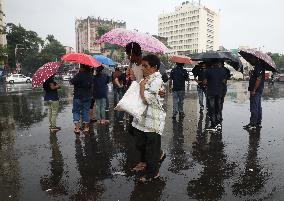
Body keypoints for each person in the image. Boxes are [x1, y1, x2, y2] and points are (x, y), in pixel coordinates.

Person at [131, 54, 166, 183]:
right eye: (142, 66)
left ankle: (153, 173)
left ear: (154, 67)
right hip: (142, 118)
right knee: (140, 142)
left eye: (146, 66)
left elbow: (147, 100)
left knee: (151, 148)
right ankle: (155, 155)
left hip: (152, 120)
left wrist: (141, 87)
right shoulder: (146, 78)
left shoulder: (156, 80)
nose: (143, 68)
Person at [203, 59, 227, 132]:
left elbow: (205, 82)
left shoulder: (208, 70)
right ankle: (219, 124)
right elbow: (224, 81)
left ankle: (213, 125)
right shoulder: (223, 70)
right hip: (219, 92)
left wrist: (208, 81)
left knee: (212, 109)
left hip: (211, 92)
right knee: (218, 109)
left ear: (211, 63)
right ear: (218, 62)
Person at [70, 64, 93, 134]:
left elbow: (71, 82)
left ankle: (77, 128)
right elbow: (91, 85)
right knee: (86, 111)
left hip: (77, 96)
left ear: (83, 68)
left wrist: (77, 75)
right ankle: (86, 128)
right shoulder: (90, 76)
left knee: (76, 111)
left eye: (81, 67)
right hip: (87, 96)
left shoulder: (78, 75)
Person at [243, 62, 265, 130]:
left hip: (256, 90)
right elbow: (257, 77)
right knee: (258, 106)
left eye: (252, 59)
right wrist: (251, 74)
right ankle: (258, 123)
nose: (250, 61)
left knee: (254, 107)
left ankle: (253, 124)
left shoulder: (258, 67)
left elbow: (258, 79)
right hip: (259, 89)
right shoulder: (260, 67)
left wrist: (254, 90)